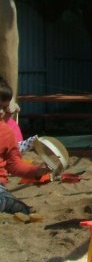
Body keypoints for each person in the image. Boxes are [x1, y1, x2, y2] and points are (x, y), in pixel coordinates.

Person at [0, 78, 50, 214]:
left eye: (4, 107)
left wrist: (35, 171)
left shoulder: (6, 133)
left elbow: (14, 164)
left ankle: (11, 204)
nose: (1, 112)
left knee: (8, 202)